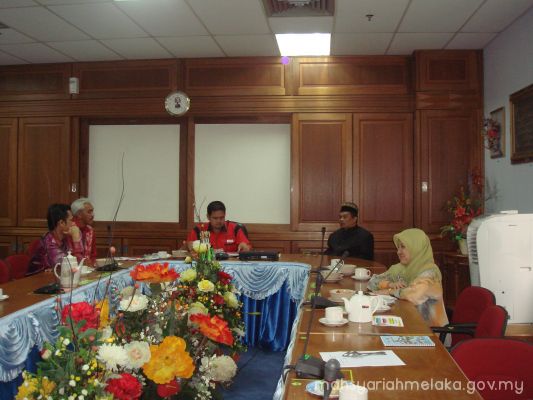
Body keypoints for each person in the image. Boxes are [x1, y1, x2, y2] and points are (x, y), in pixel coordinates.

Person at [367, 228, 448, 327]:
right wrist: (389, 284)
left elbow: (415, 295)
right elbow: (372, 282)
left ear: (416, 247)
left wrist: (390, 291)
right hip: (405, 321)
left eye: (403, 247)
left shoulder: (431, 272)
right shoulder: (400, 268)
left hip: (429, 329)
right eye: (398, 247)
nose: (398, 252)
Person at [28, 203, 83, 275]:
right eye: (71, 220)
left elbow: (80, 264)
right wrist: (76, 239)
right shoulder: (49, 242)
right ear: (61, 223)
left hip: (53, 278)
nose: (74, 224)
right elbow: (72, 267)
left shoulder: (65, 238)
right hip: (36, 280)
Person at [186, 201, 251, 253]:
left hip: (231, 263)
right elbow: (186, 247)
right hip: (207, 264)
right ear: (208, 217)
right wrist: (189, 246)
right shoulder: (200, 230)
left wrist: (245, 247)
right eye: (215, 218)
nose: (219, 221)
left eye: (221, 217)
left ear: (225, 215)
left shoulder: (235, 229)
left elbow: (247, 247)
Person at [71, 197, 96, 265]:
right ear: (79, 214)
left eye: (92, 211)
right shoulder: (69, 229)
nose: (93, 215)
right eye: (89, 212)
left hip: (88, 269)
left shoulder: (90, 230)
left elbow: (93, 256)